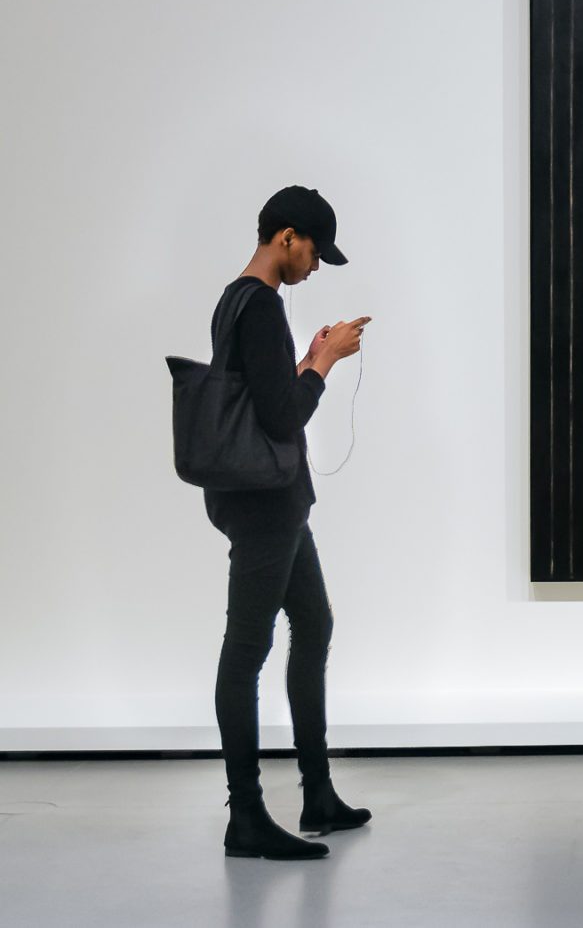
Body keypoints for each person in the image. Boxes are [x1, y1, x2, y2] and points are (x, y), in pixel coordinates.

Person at [204, 186, 372, 859]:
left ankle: (317, 794)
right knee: (247, 649)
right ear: (286, 238)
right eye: (314, 252)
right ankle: (245, 816)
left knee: (314, 624)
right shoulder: (263, 305)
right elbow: (283, 417)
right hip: (265, 504)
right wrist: (325, 364)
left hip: (269, 498)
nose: (316, 265)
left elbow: (262, 396)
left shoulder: (235, 299)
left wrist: (304, 360)